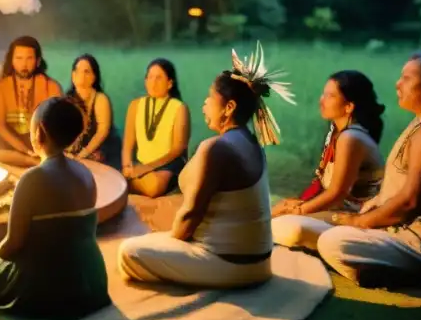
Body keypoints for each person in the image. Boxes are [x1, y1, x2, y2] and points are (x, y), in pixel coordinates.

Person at [118, 44, 295, 288]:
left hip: (229, 263)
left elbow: (191, 216)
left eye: (210, 97)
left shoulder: (215, 148)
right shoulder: (253, 143)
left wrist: (169, 241)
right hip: (261, 262)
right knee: (155, 234)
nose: (205, 103)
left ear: (229, 108)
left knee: (129, 251)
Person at [315, 52, 421, 286]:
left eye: (406, 78)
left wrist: (357, 222)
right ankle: (390, 272)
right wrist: (376, 207)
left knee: (334, 242)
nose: (398, 83)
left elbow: (410, 203)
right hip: (403, 228)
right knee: (323, 233)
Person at [0, 97, 110, 320]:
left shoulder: (32, 179)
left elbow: (13, 243)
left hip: (43, 285)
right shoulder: (85, 173)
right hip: (89, 280)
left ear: (39, 133)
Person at [272, 70, 386, 250]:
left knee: (283, 223)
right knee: (276, 209)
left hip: (354, 215)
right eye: (323, 94)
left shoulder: (351, 138)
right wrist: (294, 205)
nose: (322, 100)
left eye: (330, 96)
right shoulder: (339, 133)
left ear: (349, 106)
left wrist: (298, 210)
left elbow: (337, 193)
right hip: (338, 209)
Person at [0, 36, 63, 168]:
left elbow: (55, 124)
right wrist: (24, 150)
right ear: (11, 61)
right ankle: (31, 162)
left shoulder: (51, 87)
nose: (24, 64)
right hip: (8, 148)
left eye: (29, 58)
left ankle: (37, 162)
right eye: (19, 58)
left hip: (40, 147)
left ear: (38, 61)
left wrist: (39, 148)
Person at [122, 58, 191, 197]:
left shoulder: (179, 108)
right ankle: (130, 182)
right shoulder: (135, 105)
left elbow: (178, 148)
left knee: (154, 186)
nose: (153, 82)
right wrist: (127, 166)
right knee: (121, 176)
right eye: (150, 77)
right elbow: (128, 143)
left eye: (159, 78)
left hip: (168, 165)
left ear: (170, 83)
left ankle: (129, 185)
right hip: (141, 164)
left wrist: (145, 169)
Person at [64, 54, 123, 169]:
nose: (81, 75)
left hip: (100, 149)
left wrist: (83, 154)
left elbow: (102, 132)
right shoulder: (66, 100)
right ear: (73, 75)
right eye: (78, 71)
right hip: (74, 151)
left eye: (86, 71)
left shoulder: (100, 99)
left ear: (94, 76)